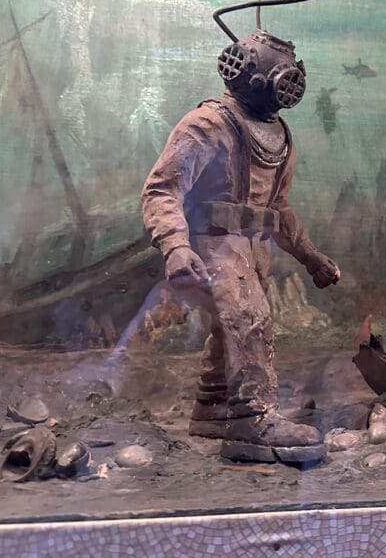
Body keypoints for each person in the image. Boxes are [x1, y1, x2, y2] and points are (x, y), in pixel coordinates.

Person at [141, 29, 340, 465]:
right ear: (248, 70)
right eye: (281, 70)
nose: (289, 81)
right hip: (213, 246)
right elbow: (162, 190)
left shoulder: (279, 135)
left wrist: (309, 256)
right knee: (249, 321)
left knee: (229, 326)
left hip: (255, 247)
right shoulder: (207, 124)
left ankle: (214, 408)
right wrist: (175, 246)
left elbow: (279, 209)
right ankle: (252, 420)